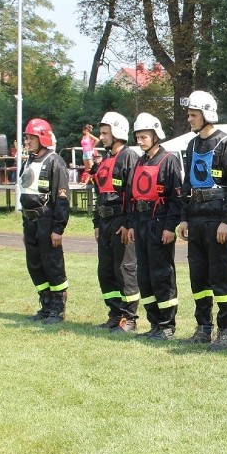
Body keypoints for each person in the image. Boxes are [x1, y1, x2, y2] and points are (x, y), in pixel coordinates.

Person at [178, 90, 227, 351]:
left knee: (220, 276)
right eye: (189, 114)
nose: (189, 118)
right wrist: (184, 218)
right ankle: (203, 327)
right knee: (198, 276)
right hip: (195, 218)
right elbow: (187, 183)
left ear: (207, 114)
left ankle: (225, 331)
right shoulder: (192, 145)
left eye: (193, 114)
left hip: (217, 219)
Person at [124, 113, 184, 340]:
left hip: (159, 223)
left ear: (156, 136)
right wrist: (130, 224)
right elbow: (131, 195)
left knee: (162, 274)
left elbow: (176, 198)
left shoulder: (168, 160)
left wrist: (170, 227)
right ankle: (154, 323)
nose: (140, 140)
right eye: (138, 136)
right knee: (144, 275)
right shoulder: (139, 161)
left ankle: (167, 325)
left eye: (144, 136)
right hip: (140, 222)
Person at [92, 111, 141, 332]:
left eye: (105, 133)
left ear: (117, 131)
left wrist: (128, 223)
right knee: (106, 270)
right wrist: (96, 223)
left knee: (125, 269)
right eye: (101, 133)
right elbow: (98, 192)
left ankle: (130, 318)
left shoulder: (128, 156)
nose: (101, 137)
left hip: (120, 220)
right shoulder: (105, 160)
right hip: (104, 222)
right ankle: (115, 313)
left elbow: (132, 192)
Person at [20, 118, 71, 324]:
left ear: (42, 138)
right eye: (27, 138)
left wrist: (58, 228)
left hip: (46, 220)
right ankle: (46, 304)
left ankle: (57, 309)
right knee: (35, 265)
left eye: (31, 138)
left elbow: (62, 198)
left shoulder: (54, 161)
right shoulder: (29, 161)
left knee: (52, 265)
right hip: (30, 221)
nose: (27, 142)